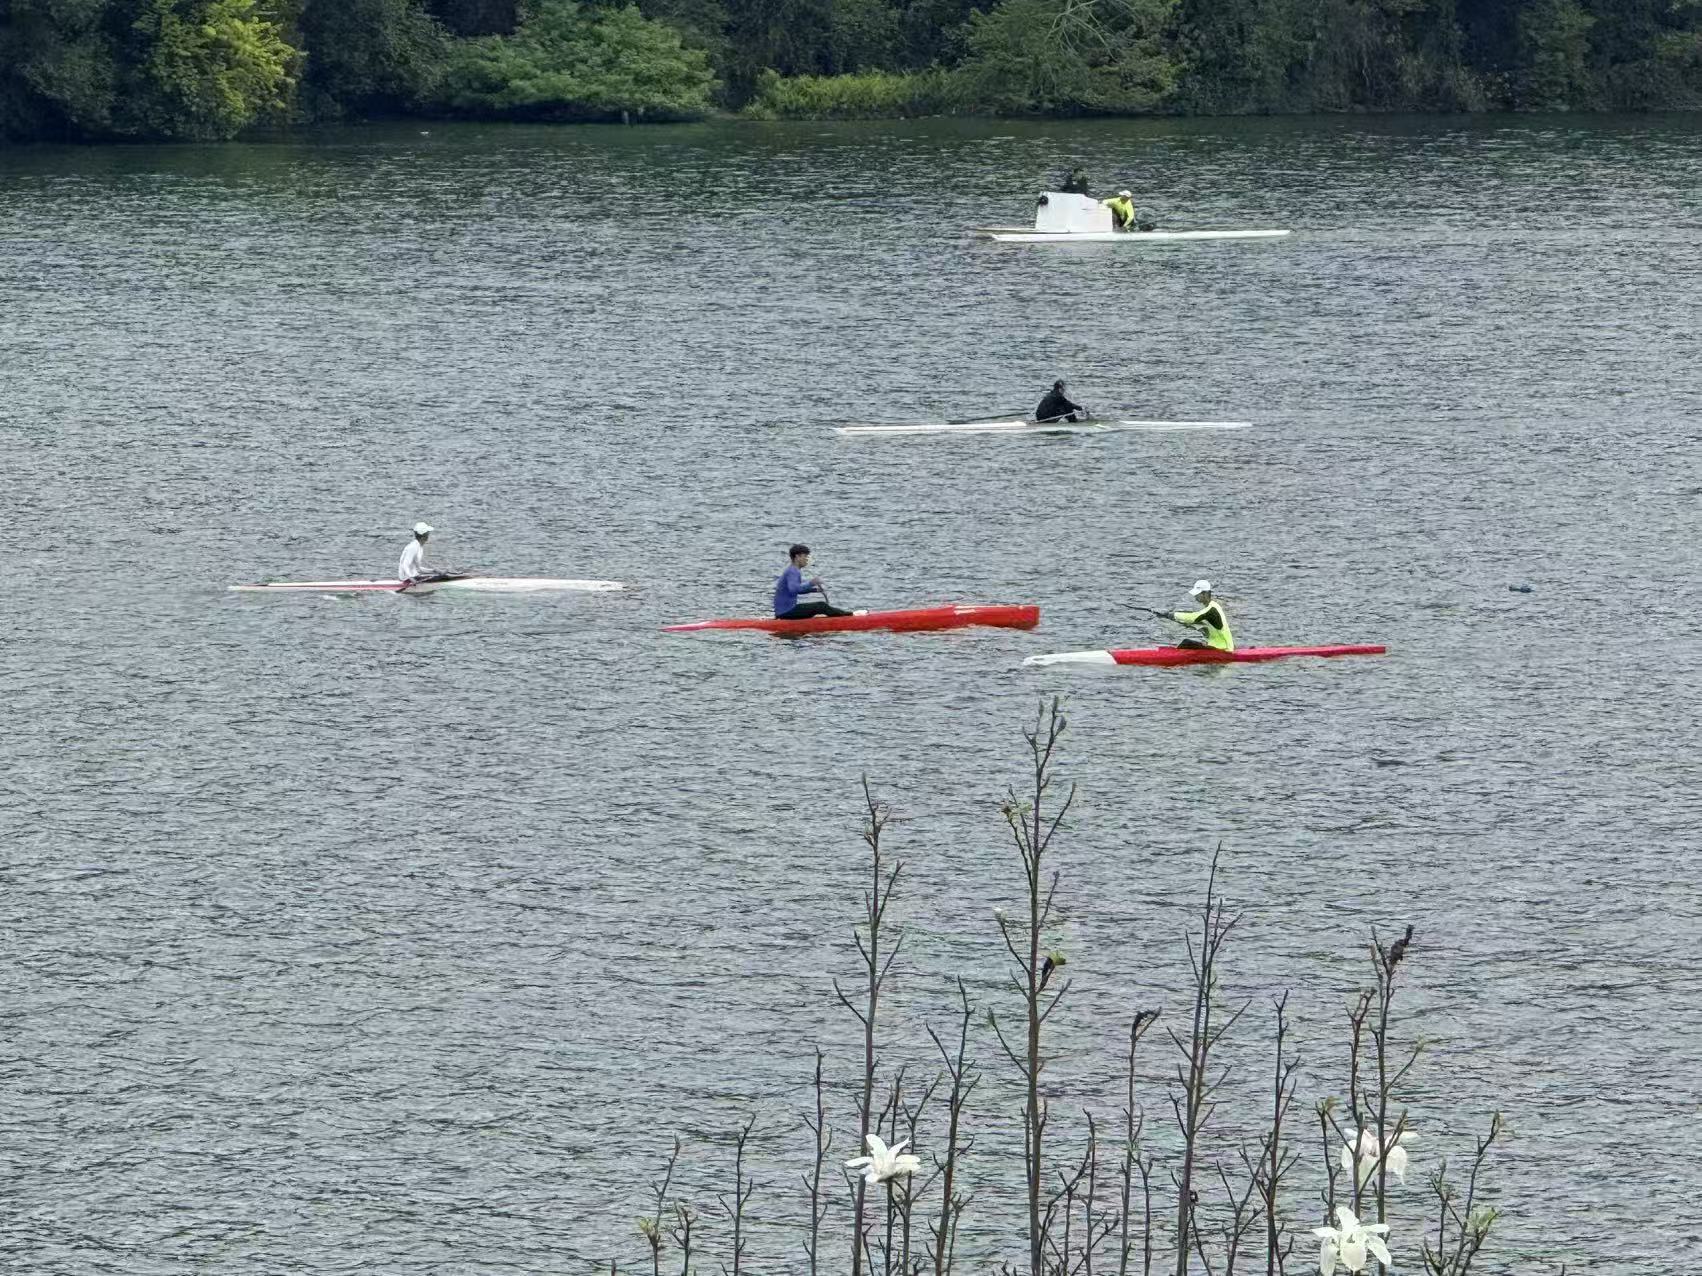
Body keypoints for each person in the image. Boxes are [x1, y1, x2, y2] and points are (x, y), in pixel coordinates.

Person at [774, 544, 853, 619]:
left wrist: (814, 590)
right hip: (786, 612)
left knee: (820, 606)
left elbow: (795, 591)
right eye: (805, 556)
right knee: (821, 605)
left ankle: (840, 614)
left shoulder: (793, 570)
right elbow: (794, 589)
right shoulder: (793, 571)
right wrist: (811, 583)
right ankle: (846, 616)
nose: (807, 559)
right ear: (797, 557)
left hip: (784, 612)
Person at [1163, 580, 1234, 651]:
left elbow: (1193, 618)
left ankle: (1173, 657)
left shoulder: (1211, 610)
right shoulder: (1214, 606)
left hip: (1223, 649)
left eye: (1197, 595)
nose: (1195, 597)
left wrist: (1173, 615)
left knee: (1186, 643)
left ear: (1205, 594)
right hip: (1219, 646)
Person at [397, 521, 432, 585]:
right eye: (428, 534)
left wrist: (433, 571)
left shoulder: (419, 546)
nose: (429, 536)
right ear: (424, 536)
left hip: (414, 575)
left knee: (436, 576)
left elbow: (419, 568)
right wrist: (411, 579)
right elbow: (405, 565)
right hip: (406, 578)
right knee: (438, 578)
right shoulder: (413, 547)